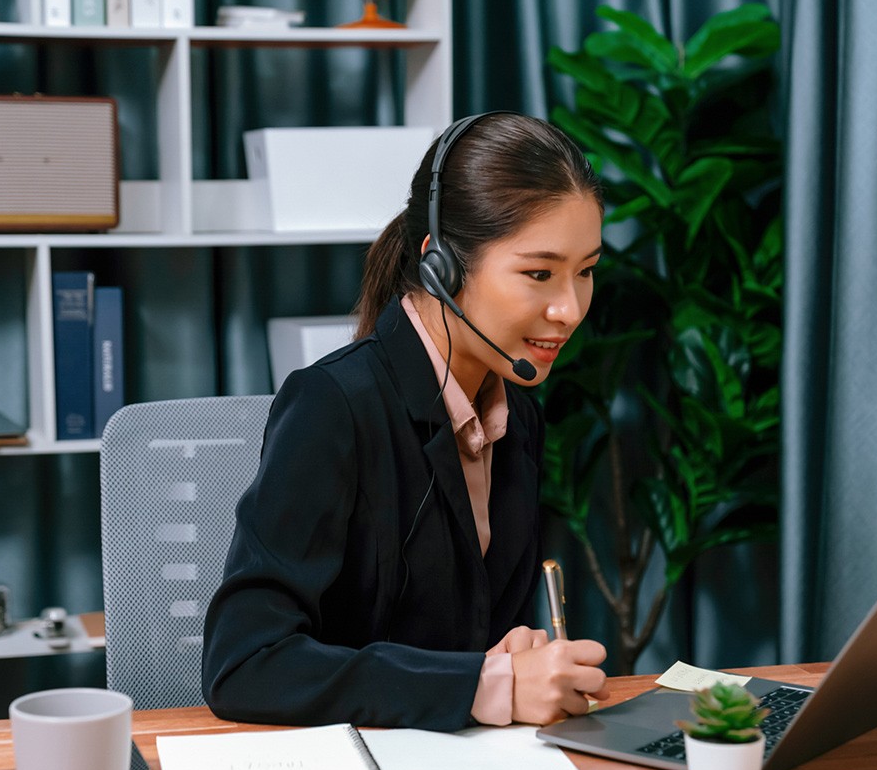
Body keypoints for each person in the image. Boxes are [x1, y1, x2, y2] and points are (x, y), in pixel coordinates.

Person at [202, 112, 610, 731]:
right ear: (440, 266)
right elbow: (246, 665)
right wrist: (483, 684)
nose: (570, 308)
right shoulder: (331, 405)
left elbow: (469, 639)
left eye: (586, 271)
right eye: (539, 273)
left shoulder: (516, 414)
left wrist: (509, 663)